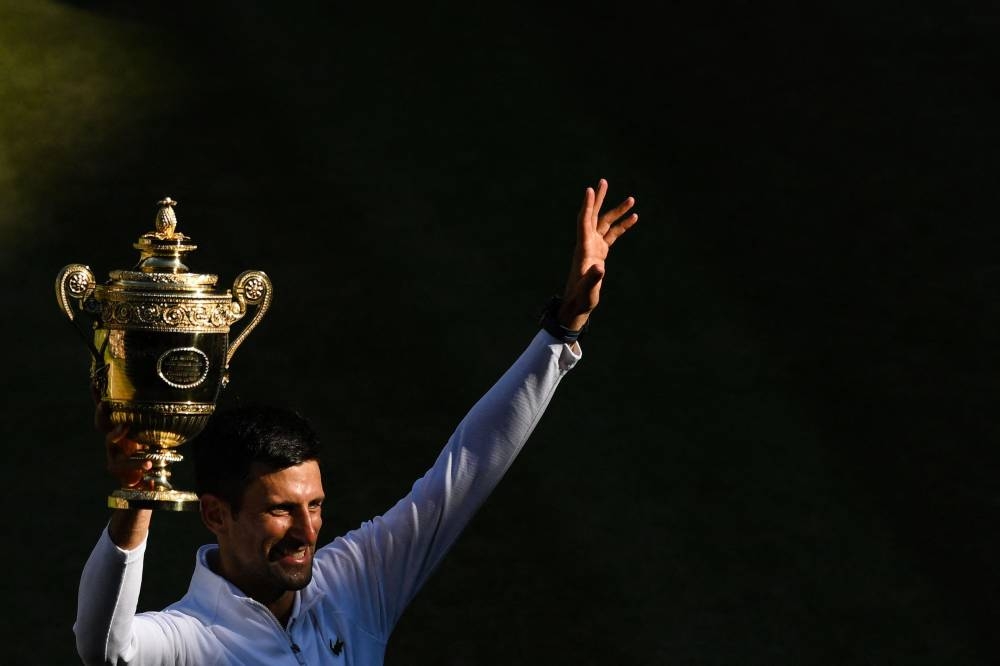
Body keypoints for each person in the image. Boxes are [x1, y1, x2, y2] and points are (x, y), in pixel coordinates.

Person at [74, 179, 638, 665]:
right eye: (280, 509)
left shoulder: (352, 583)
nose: (306, 532)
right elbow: (104, 648)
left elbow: (467, 468)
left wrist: (561, 332)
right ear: (216, 513)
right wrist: (135, 501)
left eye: (313, 505)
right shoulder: (185, 639)